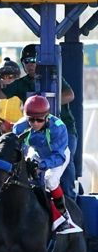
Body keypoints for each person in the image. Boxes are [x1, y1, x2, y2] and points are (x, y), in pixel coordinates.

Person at [0, 43, 77, 197]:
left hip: (63, 130)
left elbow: (70, 95)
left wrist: (42, 106)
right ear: (23, 64)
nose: (31, 64)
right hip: (35, 132)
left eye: (34, 60)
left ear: (40, 61)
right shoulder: (21, 84)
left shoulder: (55, 78)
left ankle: (70, 200)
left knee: (65, 166)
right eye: (27, 61)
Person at [12, 95, 83, 235]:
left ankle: (64, 216)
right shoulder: (19, 127)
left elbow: (59, 156)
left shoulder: (58, 128)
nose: (35, 123)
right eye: (31, 119)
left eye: (39, 120)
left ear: (47, 117)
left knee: (50, 180)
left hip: (58, 154)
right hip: (36, 152)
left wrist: (41, 166)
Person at [0, 57, 23, 139]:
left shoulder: (23, 96)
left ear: (17, 78)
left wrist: (11, 126)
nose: (7, 80)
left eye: (10, 77)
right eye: (3, 77)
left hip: (19, 138)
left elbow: (29, 120)